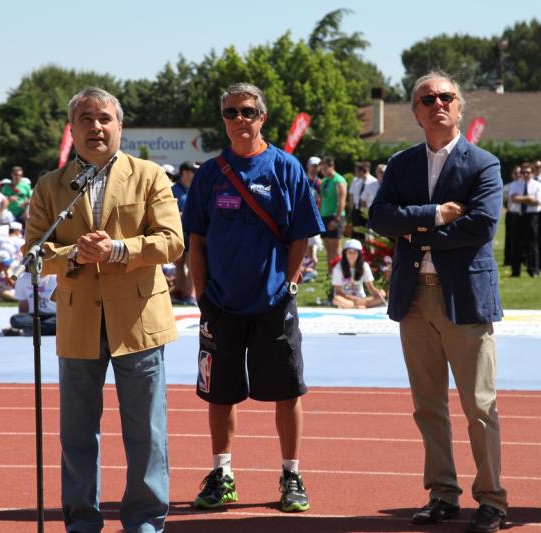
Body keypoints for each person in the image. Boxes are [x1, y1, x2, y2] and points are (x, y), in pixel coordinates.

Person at [25, 86, 183, 533]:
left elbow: (173, 241)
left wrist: (116, 250)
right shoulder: (50, 186)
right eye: (86, 119)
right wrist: (75, 254)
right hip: (78, 321)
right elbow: (34, 254)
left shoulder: (150, 175)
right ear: (72, 129)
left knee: (146, 433)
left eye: (104, 119)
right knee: (76, 433)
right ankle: (81, 521)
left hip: (138, 322)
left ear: (120, 127)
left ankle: (145, 522)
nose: (96, 127)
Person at [368, 71, 508, 533]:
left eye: (446, 97)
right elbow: (380, 219)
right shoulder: (402, 164)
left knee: (479, 406)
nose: (437, 104)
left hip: (464, 298)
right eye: (428, 98)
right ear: (416, 111)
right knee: (428, 406)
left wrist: (415, 232)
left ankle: (491, 499)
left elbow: (482, 226)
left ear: (459, 106)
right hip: (414, 299)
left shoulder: (482, 163)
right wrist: (432, 215)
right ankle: (442, 493)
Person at [182, 82, 323, 513]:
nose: (238, 119)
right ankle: (222, 474)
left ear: (262, 117)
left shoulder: (286, 168)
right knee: (220, 394)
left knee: (287, 390)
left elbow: (301, 234)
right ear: (222, 120)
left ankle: (291, 474)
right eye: (230, 113)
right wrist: (202, 293)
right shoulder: (209, 174)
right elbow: (196, 241)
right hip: (221, 304)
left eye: (246, 111)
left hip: (274, 302)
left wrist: (291, 285)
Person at [508, 162, 541, 278]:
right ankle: (515, 271)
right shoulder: (515, 184)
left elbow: (537, 201)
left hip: (531, 216)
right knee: (515, 244)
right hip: (517, 215)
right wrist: (528, 198)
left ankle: (533, 269)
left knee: (532, 244)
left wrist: (521, 199)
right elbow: (513, 199)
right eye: (523, 172)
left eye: (527, 172)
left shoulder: (538, 186)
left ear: (532, 173)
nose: (525, 174)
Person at [330, 239, 385, 308]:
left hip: (362, 299)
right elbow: (338, 292)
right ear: (345, 253)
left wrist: (379, 293)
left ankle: (358, 306)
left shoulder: (364, 266)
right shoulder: (338, 268)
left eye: (354, 252)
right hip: (346, 299)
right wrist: (354, 299)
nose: (351, 255)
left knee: (382, 295)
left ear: (359, 254)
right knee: (336, 299)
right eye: (349, 252)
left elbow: (371, 288)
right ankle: (357, 306)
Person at [171, 160, 197, 305]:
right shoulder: (174, 190)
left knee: (191, 263)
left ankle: (191, 294)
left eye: (193, 172)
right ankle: (179, 292)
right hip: (178, 231)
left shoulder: (195, 189)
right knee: (179, 264)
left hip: (191, 232)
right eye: (189, 172)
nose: (191, 175)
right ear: (182, 173)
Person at [2, 272, 57, 336]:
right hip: (33, 316)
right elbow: (23, 309)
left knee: (59, 322)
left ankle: (25, 331)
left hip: (54, 315)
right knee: (15, 319)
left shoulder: (58, 278)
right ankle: (45, 329)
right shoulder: (23, 279)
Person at [317, 156, 347, 264]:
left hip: (334, 216)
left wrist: (337, 219)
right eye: (321, 169)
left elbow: (342, 201)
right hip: (324, 216)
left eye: (325, 169)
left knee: (335, 247)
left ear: (332, 167)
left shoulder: (339, 180)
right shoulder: (324, 181)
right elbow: (321, 200)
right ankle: (330, 273)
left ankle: (341, 273)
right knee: (327, 246)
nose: (323, 171)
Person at [347, 161, 376, 242]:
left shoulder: (373, 182)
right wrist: (351, 211)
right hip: (356, 210)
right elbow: (352, 196)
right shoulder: (356, 181)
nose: (355, 173)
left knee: (367, 236)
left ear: (362, 171)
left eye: (357, 171)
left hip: (367, 212)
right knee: (355, 234)